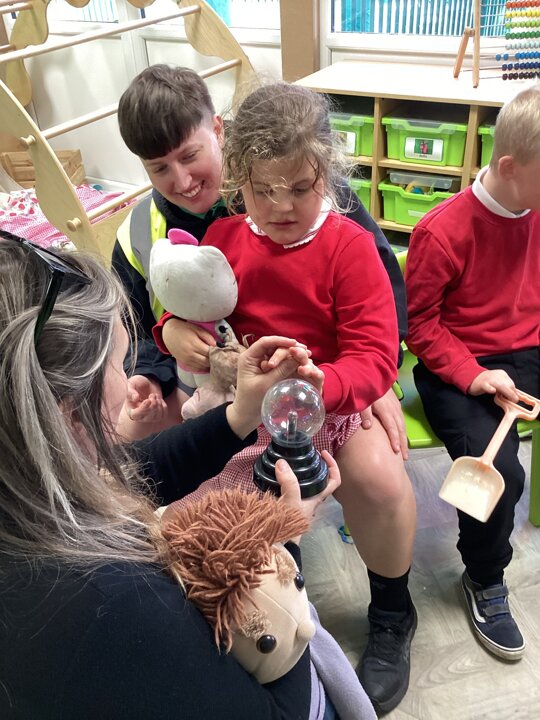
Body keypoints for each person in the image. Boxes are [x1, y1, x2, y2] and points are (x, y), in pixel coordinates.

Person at [0, 231, 348, 718]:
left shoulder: (23, 487)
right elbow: (281, 712)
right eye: (119, 364)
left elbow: (123, 473)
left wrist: (240, 414)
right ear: (66, 414)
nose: (129, 381)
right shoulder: (110, 604)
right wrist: (280, 552)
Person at [154, 82, 418, 715]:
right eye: (262, 189)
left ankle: (392, 611)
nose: (280, 206)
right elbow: (186, 308)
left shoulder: (349, 247)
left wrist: (330, 384)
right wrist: (171, 330)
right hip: (245, 408)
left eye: (299, 188)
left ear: (326, 173)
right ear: (237, 178)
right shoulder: (223, 240)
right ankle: (248, 617)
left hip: (331, 406)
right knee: (218, 512)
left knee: (381, 485)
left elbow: (376, 355)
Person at [112, 64, 407, 439]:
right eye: (159, 168)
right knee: (129, 432)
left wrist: (369, 378)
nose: (182, 181)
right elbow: (130, 329)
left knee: (375, 460)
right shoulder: (138, 232)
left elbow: (383, 297)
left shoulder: (316, 190)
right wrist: (164, 343)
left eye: (189, 156)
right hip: (203, 381)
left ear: (218, 130)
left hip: (321, 378)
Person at [405, 83, 540, 662]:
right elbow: (419, 326)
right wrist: (473, 374)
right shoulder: (441, 232)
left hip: (528, 350)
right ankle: (485, 577)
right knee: (500, 471)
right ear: (510, 167)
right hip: (458, 365)